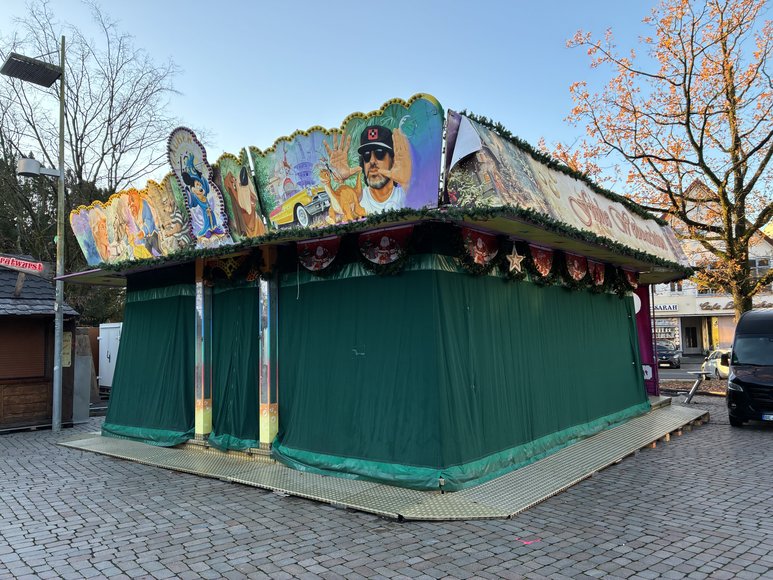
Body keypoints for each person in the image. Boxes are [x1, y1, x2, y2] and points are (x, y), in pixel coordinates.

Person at [324, 124, 412, 214]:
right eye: (366, 155)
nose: (372, 161)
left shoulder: (407, 194)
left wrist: (407, 183)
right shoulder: (358, 200)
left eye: (379, 153)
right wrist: (339, 177)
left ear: (393, 160)